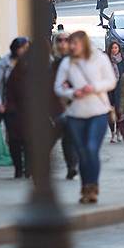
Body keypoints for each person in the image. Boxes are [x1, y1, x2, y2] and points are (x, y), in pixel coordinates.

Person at [54, 31, 117, 204]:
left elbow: (111, 81)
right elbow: (58, 87)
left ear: (84, 43)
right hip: (76, 113)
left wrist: (94, 87)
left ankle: (93, 186)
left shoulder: (99, 59)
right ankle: (85, 188)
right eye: (70, 43)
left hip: (98, 112)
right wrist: (73, 92)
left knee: (91, 149)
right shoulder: (67, 63)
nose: (71, 46)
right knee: (82, 152)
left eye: (75, 43)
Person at [0, 37, 31, 177]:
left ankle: (29, 168)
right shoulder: (5, 63)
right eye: (22, 47)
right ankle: (18, 168)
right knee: (14, 139)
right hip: (11, 107)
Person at [51, 32, 79, 180]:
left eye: (66, 40)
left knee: (69, 139)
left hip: (72, 107)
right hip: (55, 107)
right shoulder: (52, 63)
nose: (63, 43)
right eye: (59, 40)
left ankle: (72, 167)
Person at [105, 40, 124, 143]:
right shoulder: (105, 61)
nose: (114, 50)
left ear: (119, 49)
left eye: (116, 48)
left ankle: (118, 132)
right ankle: (112, 133)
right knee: (110, 113)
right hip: (109, 90)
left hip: (120, 90)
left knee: (119, 112)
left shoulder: (123, 61)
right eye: (113, 48)